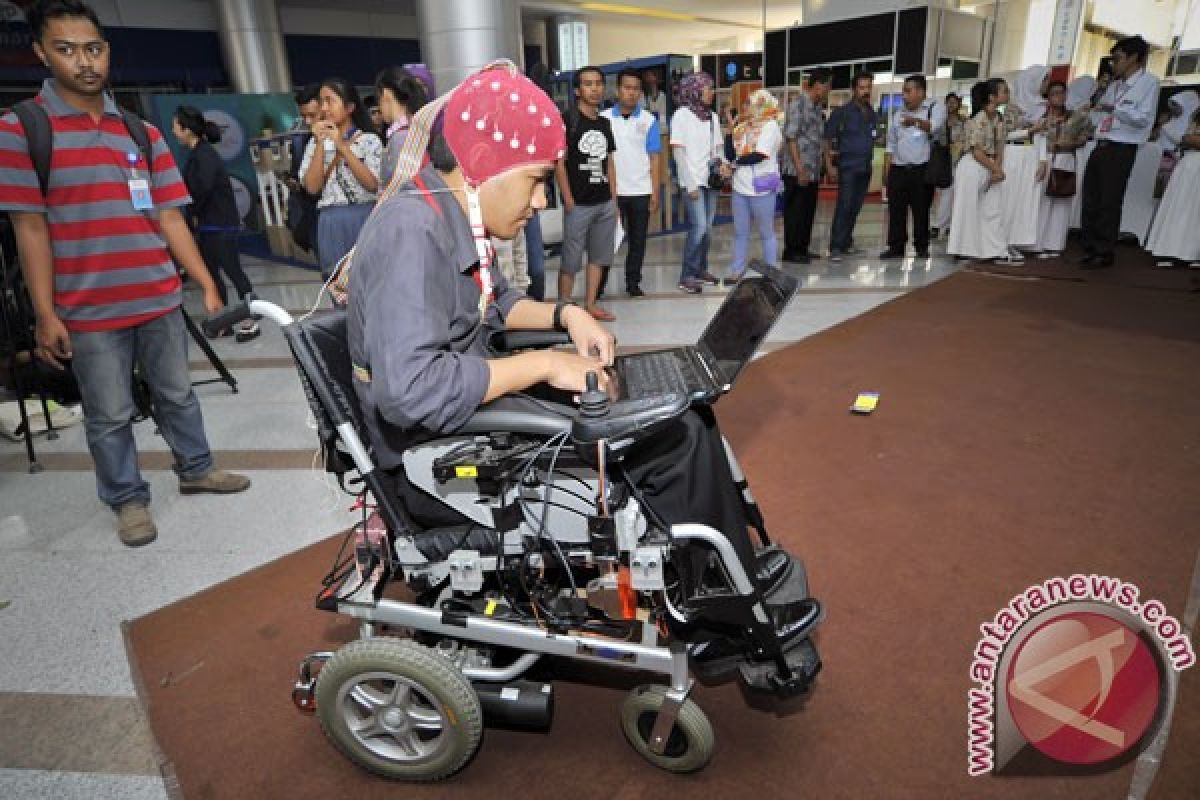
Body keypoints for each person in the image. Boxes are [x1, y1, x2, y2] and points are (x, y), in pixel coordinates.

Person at [347, 61, 782, 599]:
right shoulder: (412, 230)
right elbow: (410, 390)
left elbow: (495, 302)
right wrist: (547, 363)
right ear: (483, 164)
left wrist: (565, 314)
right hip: (429, 462)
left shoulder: (446, 213)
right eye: (534, 181)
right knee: (674, 440)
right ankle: (713, 601)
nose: (539, 202)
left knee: (684, 411)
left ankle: (723, 571)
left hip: (460, 419)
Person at [0, 0, 250, 547]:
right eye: (66, 50)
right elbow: (31, 229)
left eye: (93, 48)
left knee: (178, 394)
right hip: (88, 311)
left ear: (107, 51)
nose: (84, 62)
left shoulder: (140, 133)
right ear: (42, 53)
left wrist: (205, 282)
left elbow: (168, 216)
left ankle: (196, 468)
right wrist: (46, 314)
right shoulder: (22, 129)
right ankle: (127, 498)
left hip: (158, 297)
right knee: (109, 413)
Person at [171, 105, 259, 341]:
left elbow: (202, 189)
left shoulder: (205, 155)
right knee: (212, 274)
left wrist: (193, 213)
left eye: (175, 126)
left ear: (186, 129)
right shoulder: (198, 154)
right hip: (209, 226)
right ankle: (224, 320)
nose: (173, 132)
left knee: (233, 271)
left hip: (220, 225)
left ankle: (252, 318)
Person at [1079, 36, 1159, 269]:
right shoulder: (1114, 85)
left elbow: (1143, 119)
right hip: (1101, 144)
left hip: (1122, 148)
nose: (1114, 64)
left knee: (1109, 200)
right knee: (1091, 197)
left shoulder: (1149, 83)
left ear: (1134, 58)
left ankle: (1104, 251)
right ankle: (1090, 246)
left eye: (1118, 59)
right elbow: (1098, 115)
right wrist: (1097, 104)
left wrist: (1116, 110)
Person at [298, 77, 382, 281]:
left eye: (330, 101)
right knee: (338, 286)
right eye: (321, 101)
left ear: (350, 107)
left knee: (373, 282)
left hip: (365, 217)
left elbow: (372, 185)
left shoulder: (369, 140)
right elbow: (312, 188)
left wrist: (342, 146)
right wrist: (320, 143)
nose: (324, 108)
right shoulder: (314, 143)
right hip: (330, 222)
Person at [555, 65, 618, 320]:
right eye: (588, 84)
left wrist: (614, 197)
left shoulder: (604, 123)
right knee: (570, 260)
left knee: (599, 257)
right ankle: (564, 308)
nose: (594, 89)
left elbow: (609, 161)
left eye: (598, 84)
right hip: (578, 203)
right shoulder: (568, 120)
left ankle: (590, 304)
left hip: (604, 202)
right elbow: (559, 162)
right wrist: (568, 198)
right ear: (578, 90)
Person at [601, 68, 662, 298]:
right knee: (607, 241)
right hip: (612, 192)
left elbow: (655, 158)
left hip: (641, 190)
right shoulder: (604, 119)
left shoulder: (648, 121)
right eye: (627, 88)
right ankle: (599, 284)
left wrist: (655, 192)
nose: (631, 93)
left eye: (636, 89)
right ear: (618, 90)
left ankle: (633, 282)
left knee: (638, 241)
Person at [670, 72, 725, 293]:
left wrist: (723, 164)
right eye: (707, 89)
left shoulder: (712, 117)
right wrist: (690, 184)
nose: (711, 93)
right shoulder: (681, 115)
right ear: (694, 91)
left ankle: (701, 269)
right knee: (699, 226)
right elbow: (678, 153)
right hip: (692, 180)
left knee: (708, 229)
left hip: (710, 180)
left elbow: (718, 148)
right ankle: (687, 275)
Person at [881, 74, 944, 259]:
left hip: (922, 169)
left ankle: (921, 247)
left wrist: (914, 121)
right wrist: (887, 170)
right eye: (903, 91)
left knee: (921, 210)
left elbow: (935, 127)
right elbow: (890, 144)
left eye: (908, 91)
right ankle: (896, 246)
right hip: (898, 169)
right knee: (896, 210)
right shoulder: (897, 114)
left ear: (921, 92)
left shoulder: (934, 108)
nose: (904, 95)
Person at [726, 89, 783, 283]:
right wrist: (730, 130)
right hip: (740, 188)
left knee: (766, 233)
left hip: (762, 188)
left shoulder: (771, 126)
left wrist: (735, 164)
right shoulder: (743, 127)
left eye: (751, 103)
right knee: (740, 232)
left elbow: (760, 155)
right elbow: (731, 153)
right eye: (747, 103)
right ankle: (736, 270)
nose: (746, 107)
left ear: (763, 105)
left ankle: (771, 273)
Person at [947, 81, 1007, 262]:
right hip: (972, 166)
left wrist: (997, 169)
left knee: (991, 209)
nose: (1007, 93)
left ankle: (992, 249)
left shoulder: (998, 118)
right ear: (992, 97)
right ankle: (962, 249)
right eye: (1004, 91)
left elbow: (1000, 146)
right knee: (966, 209)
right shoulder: (976, 119)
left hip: (989, 165)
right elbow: (977, 151)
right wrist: (997, 169)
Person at [1031, 81, 1092, 258]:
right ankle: (1036, 244)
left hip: (1065, 159)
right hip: (1043, 159)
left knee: (1061, 202)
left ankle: (1054, 244)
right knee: (1041, 201)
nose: (1059, 96)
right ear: (1048, 97)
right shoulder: (1040, 116)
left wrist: (1071, 143)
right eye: (1055, 93)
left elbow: (1085, 137)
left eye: (1062, 92)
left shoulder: (1077, 116)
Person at [823, 72, 878, 262]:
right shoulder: (842, 112)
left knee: (855, 207)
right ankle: (836, 247)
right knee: (844, 206)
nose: (866, 91)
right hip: (848, 167)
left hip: (865, 166)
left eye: (868, 87)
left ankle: (846, 243)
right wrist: (829, 165)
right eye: (862, 88)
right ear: (854, 89)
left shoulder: (871, 112)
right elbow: (827, 138)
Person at [780, 67, 830, 264]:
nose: (828, 91)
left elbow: (820, 138)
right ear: (818, 86)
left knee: (808, 211)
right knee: (795, 212)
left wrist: (825, 164)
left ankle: (802, 247)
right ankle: (791, 251)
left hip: (812, 170)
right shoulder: (797, 104)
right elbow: (791, 137)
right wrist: (800, 168)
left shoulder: (818, 108)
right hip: (796, 170)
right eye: (827, 87)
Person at [1146, 98, 1200, 268]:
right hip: (1189, 163)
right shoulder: (1196, 115)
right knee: (1178, 207)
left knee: (1195, 211)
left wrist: (1190, 139)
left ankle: (1193, 253)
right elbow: (1186, 138)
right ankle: (1170, 250)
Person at [374, 65, 429, 186]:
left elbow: (402, 187)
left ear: (386, 94)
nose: (379, 107)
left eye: (378, 99)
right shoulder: (416, 129)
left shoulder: (401, 138)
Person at [284, 83, 321, 259]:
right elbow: (295, 172)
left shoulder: (354, 139)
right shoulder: (300, 141)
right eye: (303, 116)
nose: (307, 121)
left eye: (312, 115)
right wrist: (293, 182)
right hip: (312, 214)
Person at [932, 92, 966, 239]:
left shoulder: (964, 122)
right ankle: (939, 224)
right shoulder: (940, 121)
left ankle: (949, 225)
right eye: (949, 102)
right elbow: (935, 139)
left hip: (959, 161)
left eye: (954, 102)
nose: (952, 105)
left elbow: (967, 140)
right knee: (944, 193)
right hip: (943, 161)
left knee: (956, 194)